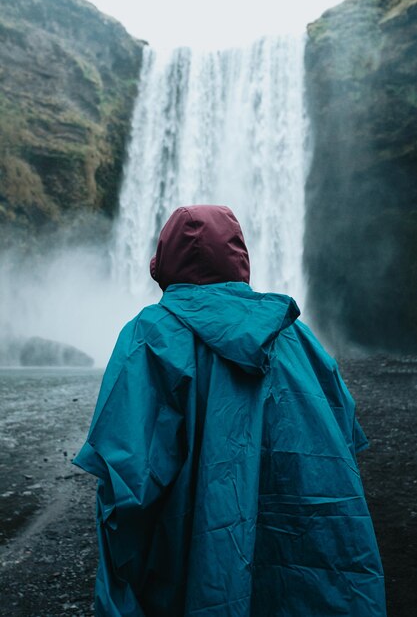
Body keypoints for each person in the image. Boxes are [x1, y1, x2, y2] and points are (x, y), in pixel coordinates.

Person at [73, 205, 387, 617]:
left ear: (165, 262)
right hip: (323, 569)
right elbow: (343, 434)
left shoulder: (149, 335)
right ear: (240, 258)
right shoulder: (297, 336)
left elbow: (125, 477)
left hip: (202, 569)